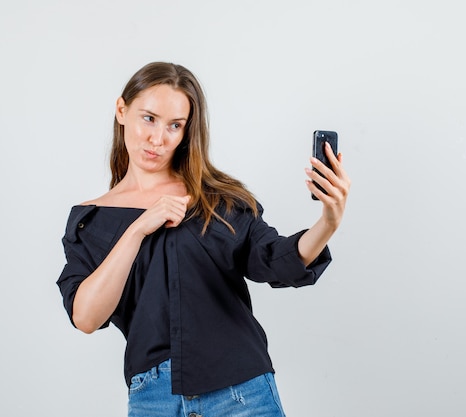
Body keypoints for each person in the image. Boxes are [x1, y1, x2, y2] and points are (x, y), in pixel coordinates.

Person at [57, 62, 350, 416]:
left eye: (174, 126)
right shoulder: (91, 221)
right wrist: (138, 228)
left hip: (239, 392)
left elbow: (275, 259)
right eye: (148, 118)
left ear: (186, 132)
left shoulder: (218, 200)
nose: (157, 139)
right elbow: (86, 317)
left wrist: (328, 222)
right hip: (154, 401)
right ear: (122, 110)